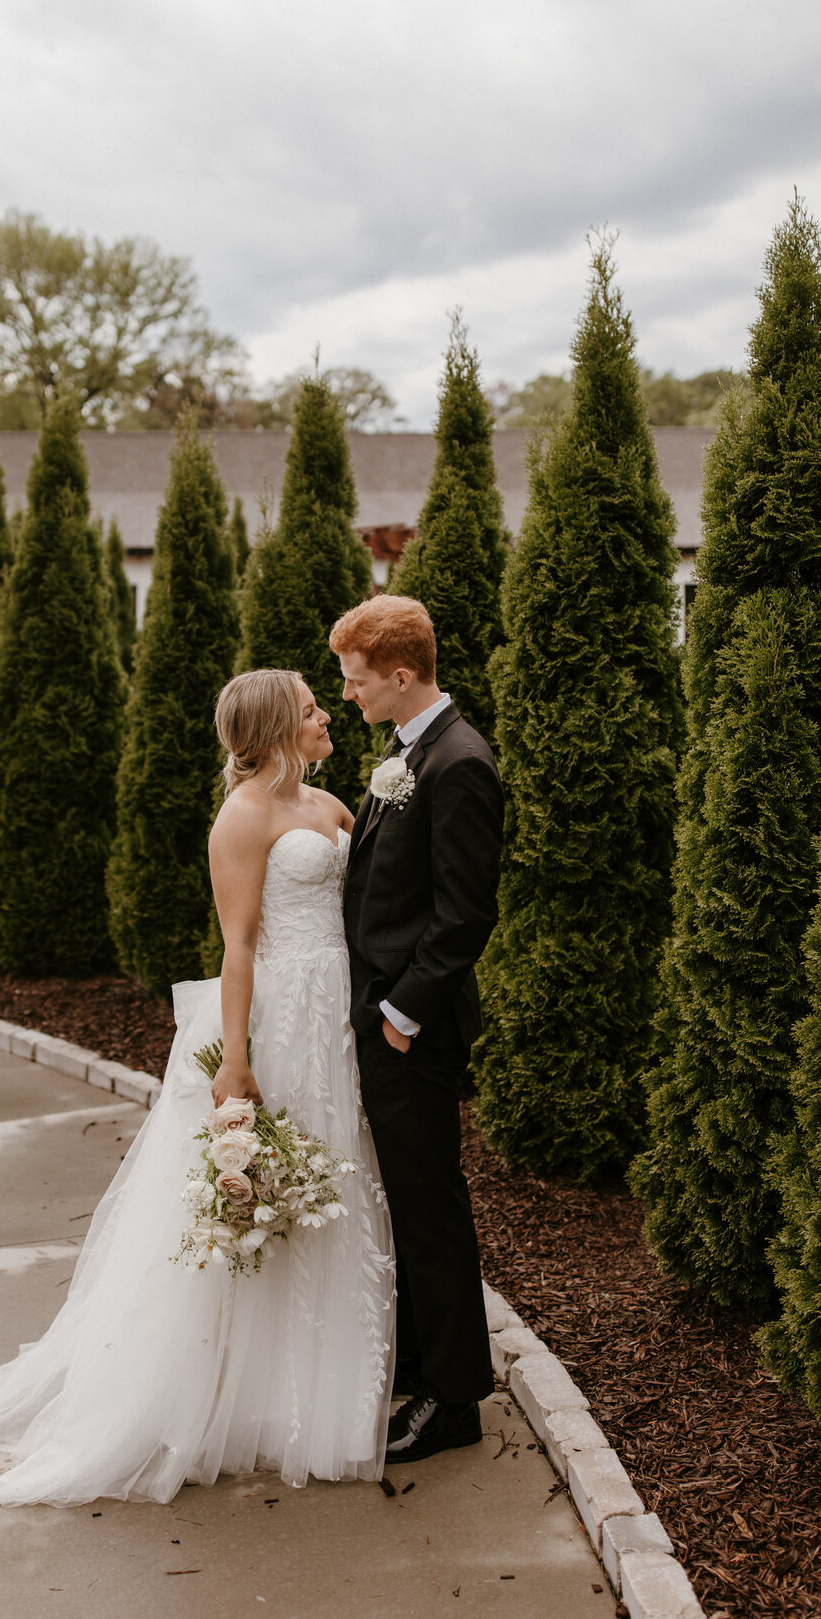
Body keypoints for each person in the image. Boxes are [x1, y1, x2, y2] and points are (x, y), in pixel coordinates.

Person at [0, 668, 394, 1505]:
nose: (325, 713)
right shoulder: (242, 818)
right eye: (309, 708)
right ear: (271, 730)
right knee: (266, 1188)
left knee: (332, 1177)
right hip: (278, 1019)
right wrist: (235, 1062)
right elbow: (238, 944)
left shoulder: (336, 806)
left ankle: (325, 1382)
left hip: (338, 1012)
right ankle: (241, 1395)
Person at [331, 595, 504, 1465]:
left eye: (357, 681)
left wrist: (402, 1014)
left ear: (401, 676)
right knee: (405, 1198)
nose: (348, 694)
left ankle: (455, 1400)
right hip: (381, 1015)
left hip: (413, 1028)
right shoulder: (407, 752)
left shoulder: (458, 763)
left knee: (430, 1206)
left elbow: (466, 915)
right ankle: (426, 1368)